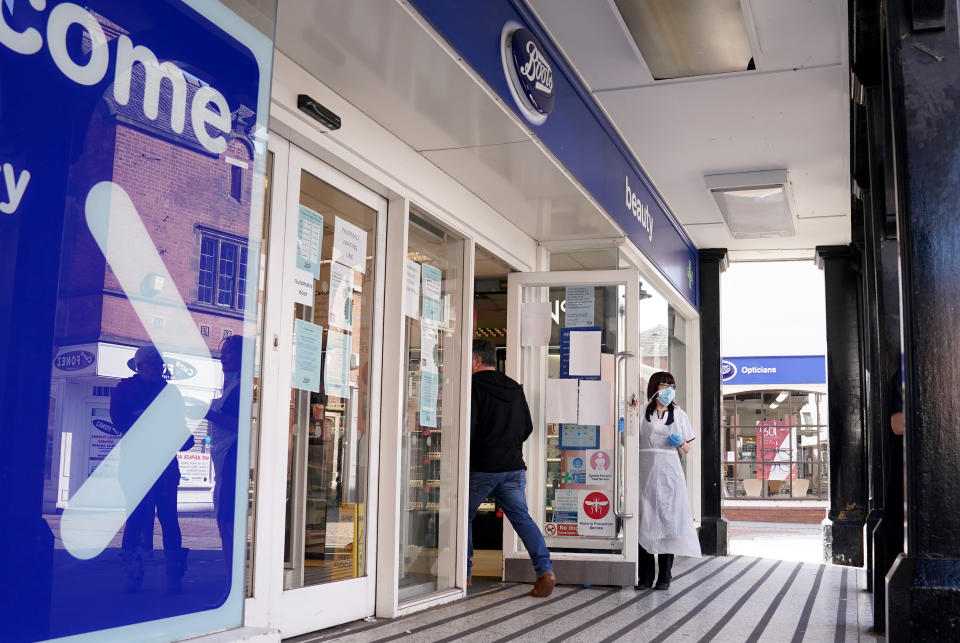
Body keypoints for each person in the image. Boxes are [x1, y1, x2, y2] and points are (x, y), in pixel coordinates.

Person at [468, 339, 555, 597]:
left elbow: (468, 429)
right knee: (522, 518)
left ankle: (464, 571)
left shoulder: (473, 386)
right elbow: (527, 427)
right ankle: (545, 571)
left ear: (476, 360)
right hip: (513, 467)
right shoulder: (515, 388)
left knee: (463, 518)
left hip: (482, 467)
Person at [111, 345, 193, 594]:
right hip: (136, 465)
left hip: (164, 466)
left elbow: (179, 428)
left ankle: (173, 576)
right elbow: (120, 420)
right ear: (140, 366)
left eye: (160, 365)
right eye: (153, 365)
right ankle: (133, 575)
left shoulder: (170, 392)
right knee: (135, 519)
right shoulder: (125, 388)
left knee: (169, 519)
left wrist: (143, 416)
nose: (159, 369)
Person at [636, 371, 701, 590]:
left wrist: (680, 443)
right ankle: (644, 577)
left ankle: (664, 577)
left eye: (672, 385)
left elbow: (687, 448)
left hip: (669, 473)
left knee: (667, 521)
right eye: (665, 385)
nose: (669, 389)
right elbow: (630, 443)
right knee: (643, 520)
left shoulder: (679, 414)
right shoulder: (641, 412)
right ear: (655, 386)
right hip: (644, 471)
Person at [204, 335, 243, 585]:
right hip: (223, 460)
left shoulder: (240, 389)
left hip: (232, 459)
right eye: (223, 352)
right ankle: (233, 580)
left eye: (229, 352)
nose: (222, 356)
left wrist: (207, 413)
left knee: (227, 522)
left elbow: (237, 424)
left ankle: (234, 582)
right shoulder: (230, 387)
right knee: (225, 521)